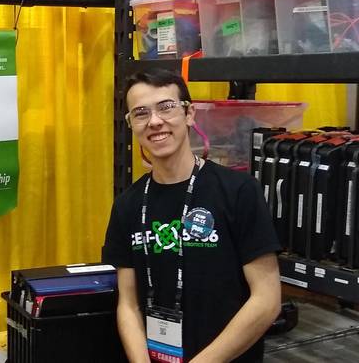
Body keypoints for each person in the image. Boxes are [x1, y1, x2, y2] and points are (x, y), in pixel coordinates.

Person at [102, 69, 281, 363]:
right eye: (141, 113)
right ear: (131, 125)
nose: (155, 121)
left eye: (166, 107)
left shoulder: (238, 191)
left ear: (189, 113)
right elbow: (128, 304)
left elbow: (266, 299)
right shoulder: (127, 206)